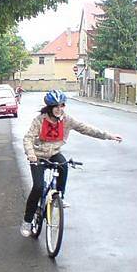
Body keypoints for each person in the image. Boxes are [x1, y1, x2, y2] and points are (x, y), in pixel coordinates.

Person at [20, 90, 122, 237]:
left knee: (63, 165)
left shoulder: (66, 120)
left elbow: (86, 128)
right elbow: (28, 138)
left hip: (54, 153)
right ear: (49, 107)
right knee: (38, 187)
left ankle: (59, 197)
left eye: (62, 106)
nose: (59, 109)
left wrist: (109, 136)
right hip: (38, 156)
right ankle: (27, 221)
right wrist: (31, 155)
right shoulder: (39, 120)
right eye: (56, 106)